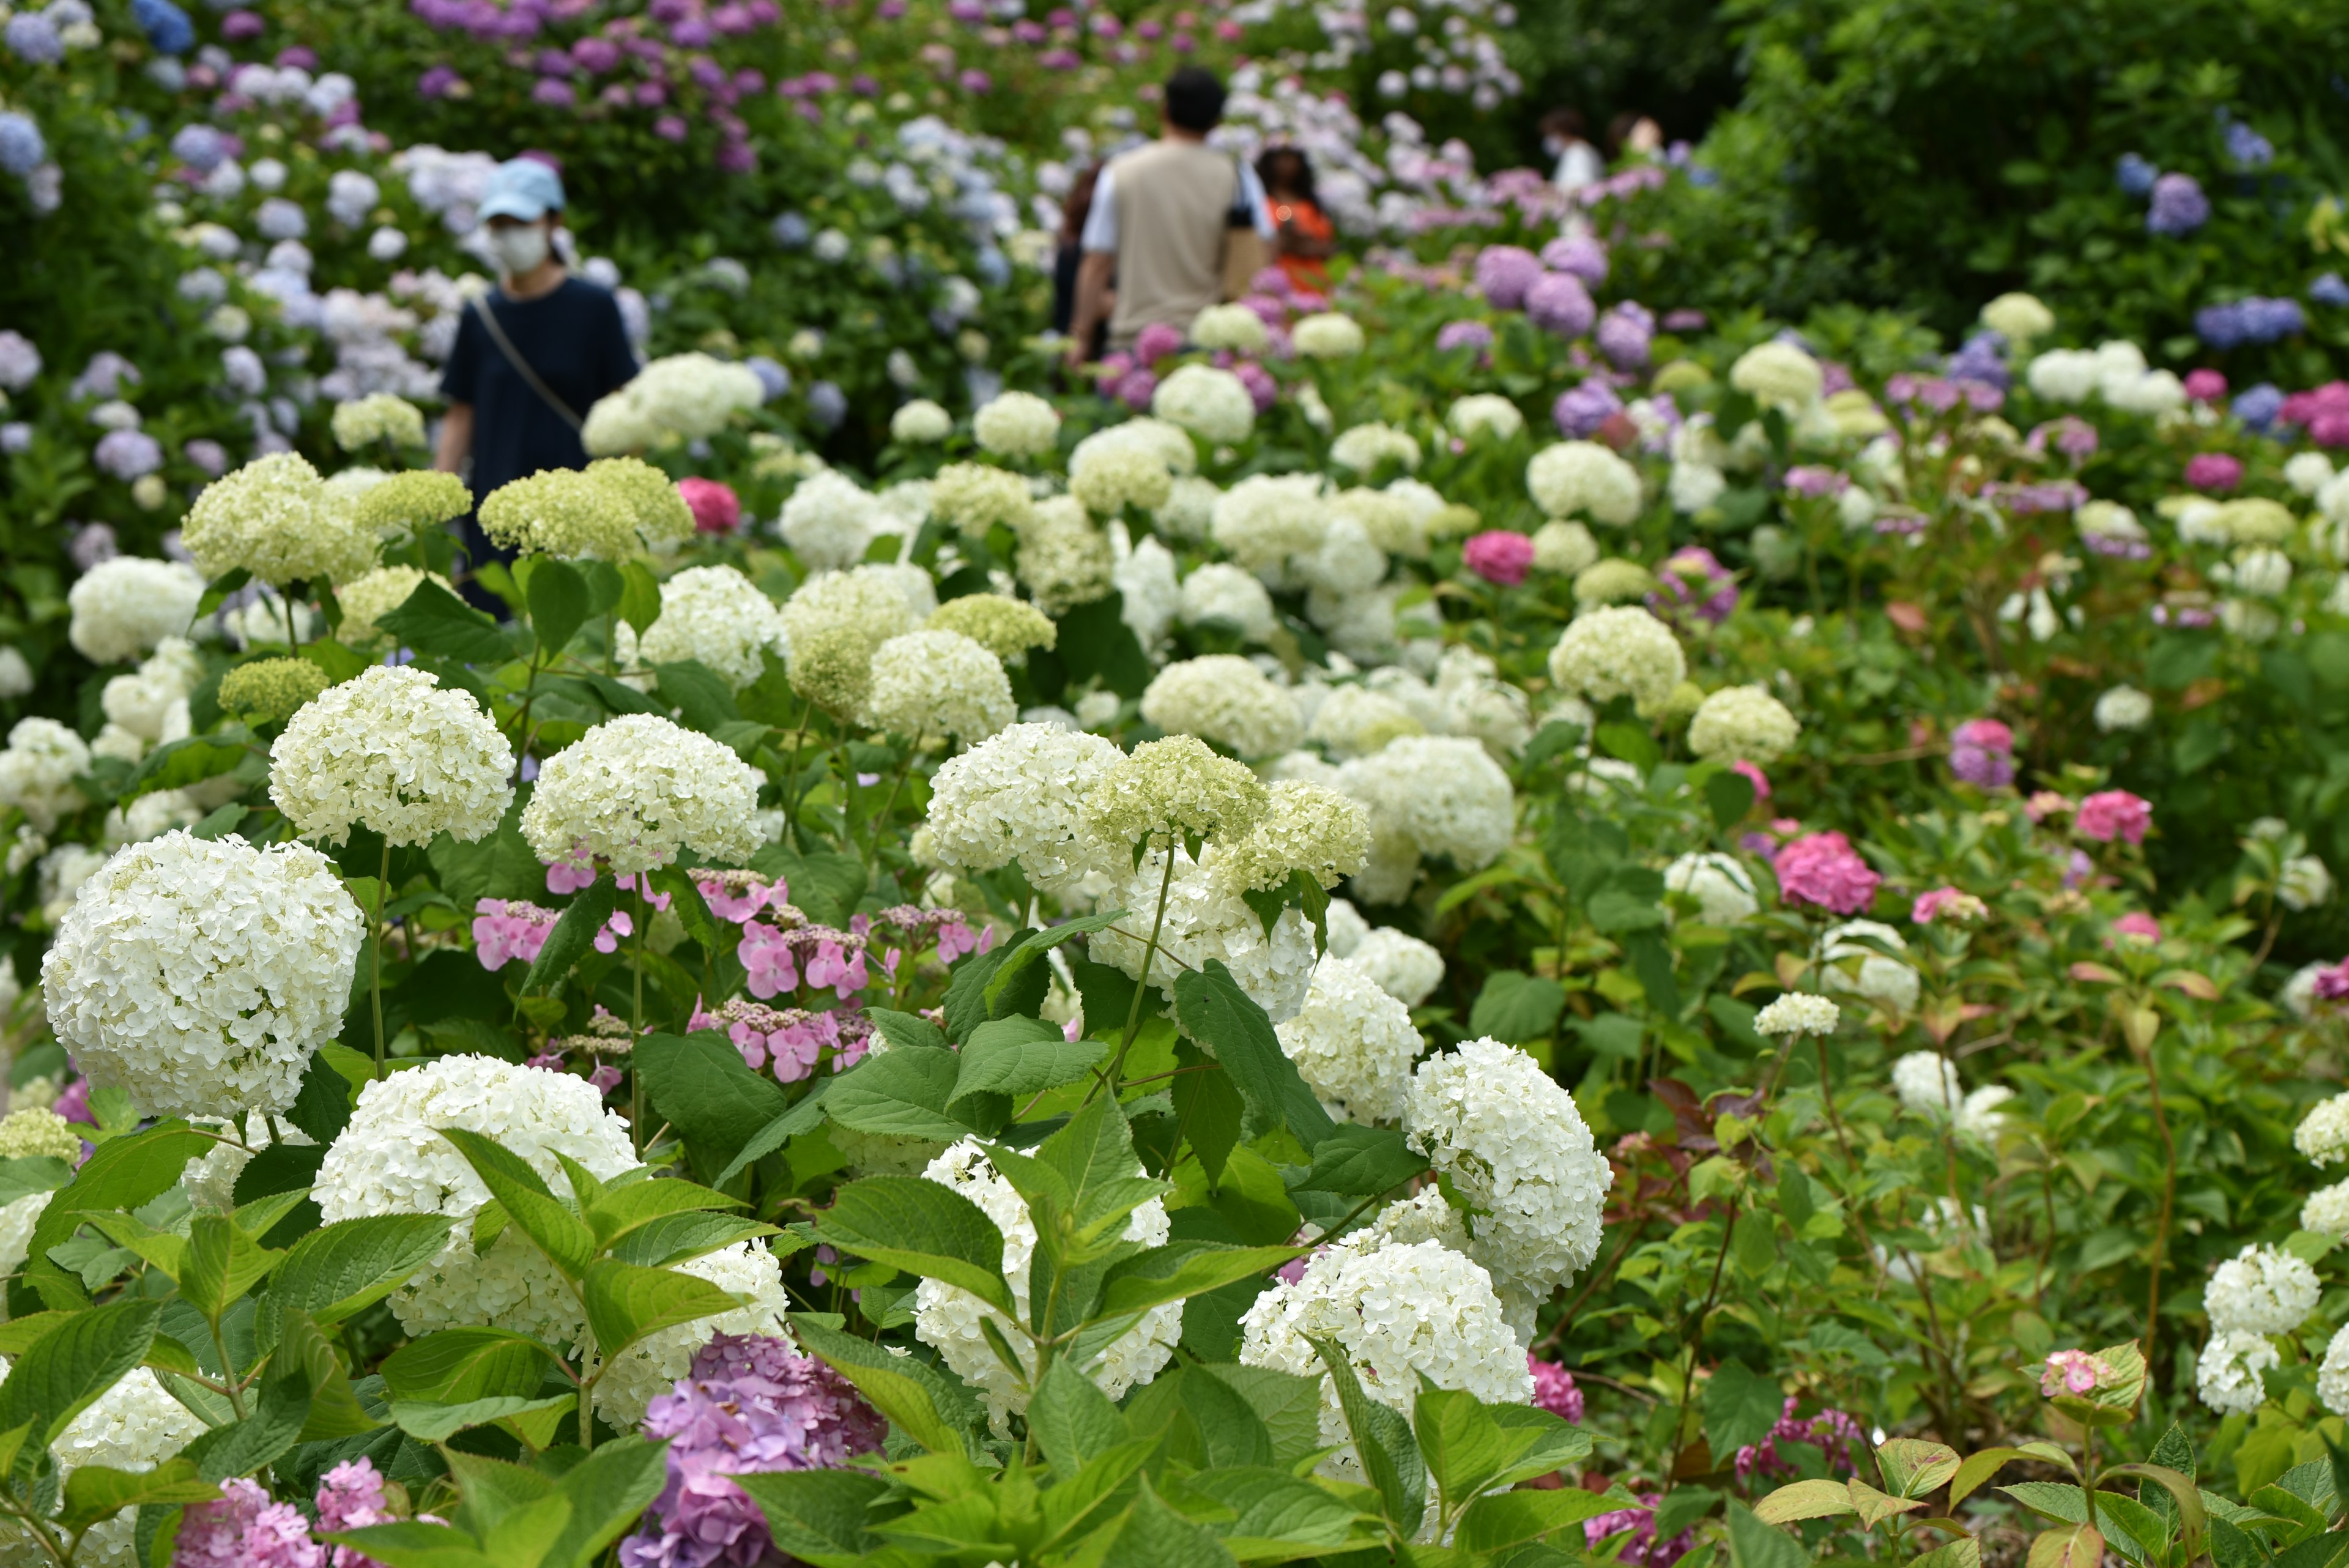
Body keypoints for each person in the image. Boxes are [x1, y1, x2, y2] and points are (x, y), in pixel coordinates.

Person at [435, 157, 639, 579]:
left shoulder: (593, 308)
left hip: (575, 512)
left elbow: (624, 408)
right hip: (494, 514)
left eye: (522, 221)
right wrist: (434, 499)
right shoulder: (480, 316)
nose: (510, 234)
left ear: (553, 221)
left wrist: (625, 502)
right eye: (500, 224)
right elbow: (462, 414)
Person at [1066, 66, 1276, 363]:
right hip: (1208, 343)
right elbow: (1263, 253)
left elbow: (1097, 262)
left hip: (1133, 341)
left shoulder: (1122, 171)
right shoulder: (1238, 176)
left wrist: (1081, 336)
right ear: (1216, 121)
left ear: (1164, 110)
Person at [1051, 160, 1110, 357]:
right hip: (1087, 352)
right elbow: (1099, 304)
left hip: (1072, 348)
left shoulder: (1068, 245)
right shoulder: (1075, 251)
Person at [1258, 145, 1335, 292]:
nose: (1287, 164)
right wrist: (1287, 239)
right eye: (1281, 158)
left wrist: (1307, 245)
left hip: (1314, 281)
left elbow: (1328, 244)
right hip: (1281, 280)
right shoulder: (1263, 201)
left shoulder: (1310, 204)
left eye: (1292, 158)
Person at [1542, 108, 1603, 193]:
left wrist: (1550, 190)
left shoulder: (1578, 153)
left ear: (1563, 131)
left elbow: (1582, 186)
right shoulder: (1579, 151)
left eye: (1551, 133)